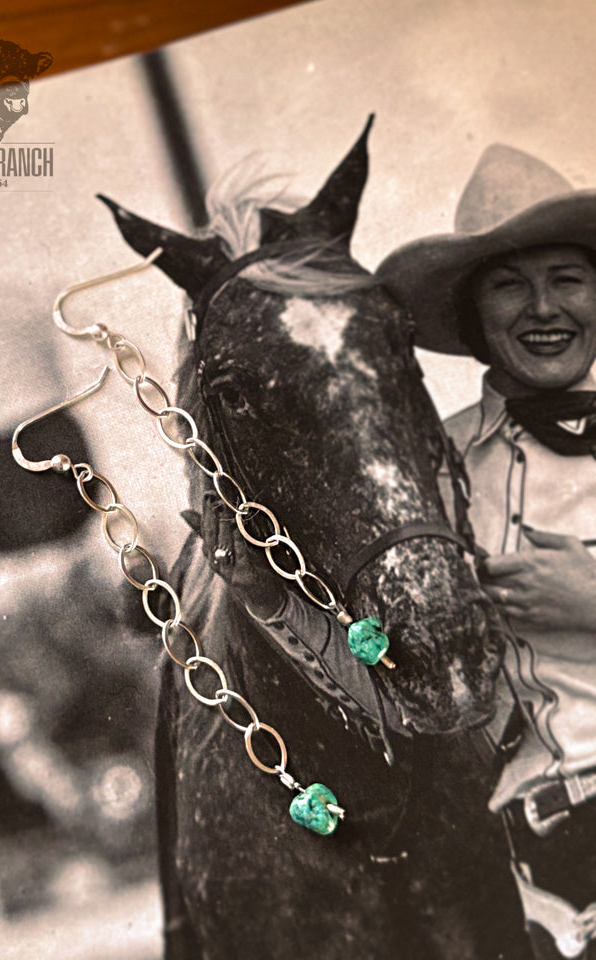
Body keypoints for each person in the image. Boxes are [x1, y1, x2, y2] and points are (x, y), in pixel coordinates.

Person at [202, 144, 596, 959]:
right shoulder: (425, 473)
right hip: (548, 867)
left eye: (567, 277)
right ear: (472, 316)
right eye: (510, 284)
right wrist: (269, 603)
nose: (543, 307)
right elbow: (405, 681)